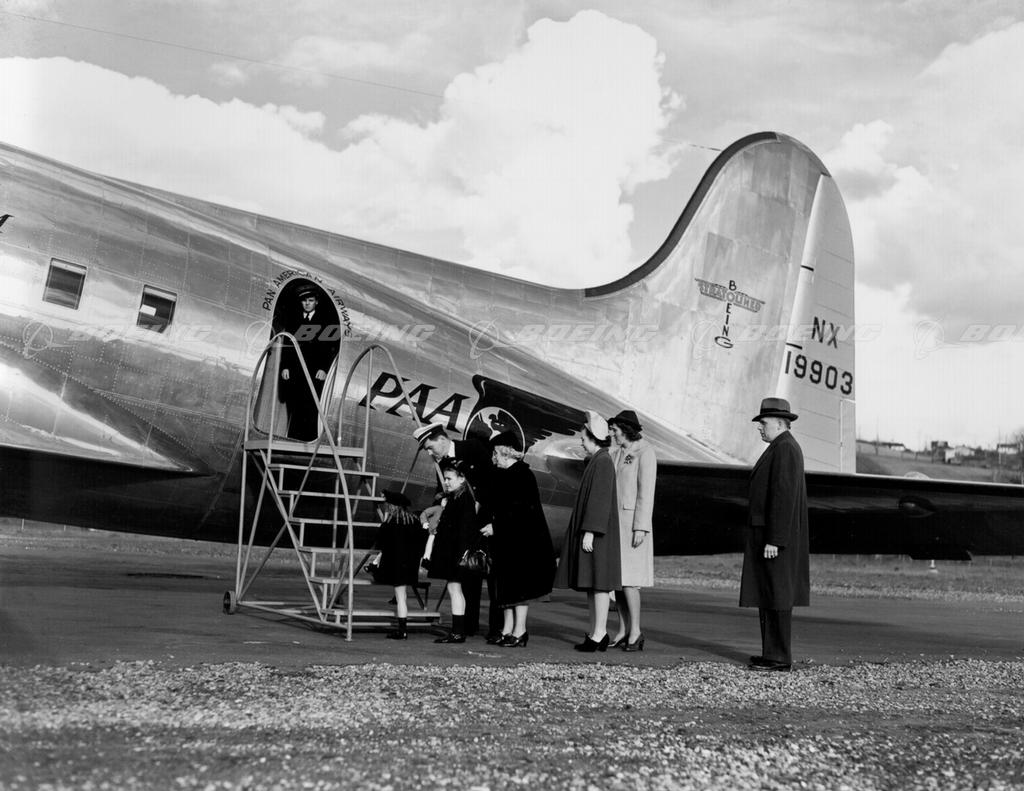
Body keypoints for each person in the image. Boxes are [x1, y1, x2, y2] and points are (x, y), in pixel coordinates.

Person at [740, 397, 810, 672]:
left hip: (775, 539)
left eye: (764, 422)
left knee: (778, 595)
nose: (760, 427)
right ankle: (771, 653)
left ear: (780, 424)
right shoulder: (781, 447)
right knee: (769, 593)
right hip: (769, 536)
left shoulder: (786, 449)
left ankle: (779, 658)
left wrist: (775, 539)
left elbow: (783, 497)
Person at [413, 422, 500, 640]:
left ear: (442, 439)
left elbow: (491, 481)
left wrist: (479, 506)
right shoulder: (442, 463)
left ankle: (497, 629)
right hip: (461, 522)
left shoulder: (473, 448)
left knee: (490, 575)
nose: (430, 453)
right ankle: (467, 626)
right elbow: (443, 490)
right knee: (464, 577)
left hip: (483, 522)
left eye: (430, 447)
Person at [553, 411, 621, 652]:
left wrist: (590, 531)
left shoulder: (602, 462)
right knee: (594, 585)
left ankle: (599, 633)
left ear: (593, 438)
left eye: (583, 438)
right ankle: (596, 632)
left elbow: (599, 500)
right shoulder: (599, 460)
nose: (581, 442)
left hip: (597, 535)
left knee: (599, 585)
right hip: (594, 532)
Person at [483, 431, 555, 647]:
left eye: (495, 453)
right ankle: (508, 629)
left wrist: (496, 526)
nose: (493, 458)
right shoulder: (506, 474)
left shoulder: (522, 475)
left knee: (518, 587)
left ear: (504, 452)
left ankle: (520, 630)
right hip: (506, 539)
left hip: (521, 541)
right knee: (505, 586)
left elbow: (520, 512)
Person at [606, 409, 657, 652]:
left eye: (615, 430)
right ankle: (623, 629)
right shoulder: (617, 452)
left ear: (625, 430)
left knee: (631, 582)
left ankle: (635, 630)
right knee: (618, 581)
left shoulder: (645, 452)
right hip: (616, 525)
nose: (612, 434)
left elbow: (646, 492)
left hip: (633, 526)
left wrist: (641, 527)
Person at [426, 458, 482, 644]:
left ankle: (458, 631)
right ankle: (458, 630)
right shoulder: (458, 498)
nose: (446, 482)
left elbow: (465, 531)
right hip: (455, 553)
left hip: (456, 554)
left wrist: (460, 555)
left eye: (449, 478)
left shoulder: (462, 500)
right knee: (455, 589)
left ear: (462, 478)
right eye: (445, 478)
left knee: (455, 589)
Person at [280, 287, 339, 441]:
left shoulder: (325, 320)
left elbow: (329, 347)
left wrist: (324, 368)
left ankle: (306, 441)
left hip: (314, 372)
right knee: (294, 405)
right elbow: (287, 344)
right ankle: (292, 439)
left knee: (310, 406)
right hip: (296, 370)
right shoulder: (294, 319)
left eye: (311, 300)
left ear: (316, 302)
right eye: (304, 301)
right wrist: (285, 366)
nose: (307, 303)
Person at [370, 489, 428, 640]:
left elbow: (379, 543)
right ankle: (402, 630)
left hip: (393, 567)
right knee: (402, 596)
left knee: (401, 596)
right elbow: (422, 543)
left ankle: (402, 630)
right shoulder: (414, 521)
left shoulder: (390, 523)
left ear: (391, 506)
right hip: (410, 567)